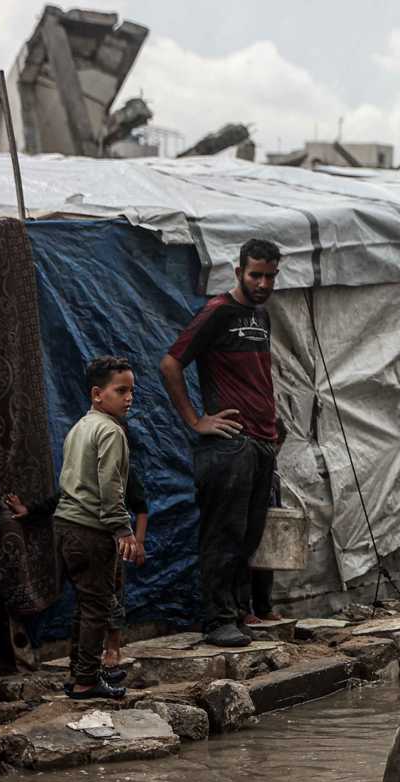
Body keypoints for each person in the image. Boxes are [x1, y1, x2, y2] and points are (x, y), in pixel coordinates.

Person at [160, 239, 285, 648]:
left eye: (270, 276)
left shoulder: (260, 315)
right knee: (224, 534)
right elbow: (170, 363)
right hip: (231, 444)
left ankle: (237, 613)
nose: (263, 283)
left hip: (262, 441)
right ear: (238, 272)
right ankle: (217, 620)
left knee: (249, 536)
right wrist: (196, 420)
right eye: (255, 275)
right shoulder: (218, 311)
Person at [4, 435, 148, 683]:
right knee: (90, 603)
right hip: (84, 539)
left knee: (108, 599)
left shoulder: (121, 471)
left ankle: (107, 652)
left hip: (110, 541)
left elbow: (139, 507)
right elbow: (60, 499)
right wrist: (29, 511)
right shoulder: (82, 474)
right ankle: (83, 670)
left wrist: (137, 541)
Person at [39, 357, 142, 699]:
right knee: (97, 607)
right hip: (90, 530)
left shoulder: (80, 427)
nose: (129, 398)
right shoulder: (110, 431)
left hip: (65, 527)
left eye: (131, 391)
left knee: (85, 606)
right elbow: (110, 485)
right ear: (98, 394)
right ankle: (86, 681)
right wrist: (123, 529)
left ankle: (79, 674)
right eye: (121, 391)